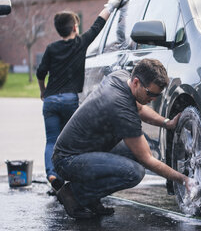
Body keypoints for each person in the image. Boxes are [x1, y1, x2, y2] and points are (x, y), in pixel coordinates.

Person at [52, 59, 192, 219]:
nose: (153, 99)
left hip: (84, 150)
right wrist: (184, 179)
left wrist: (167, 123)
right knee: (133, 172)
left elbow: (140, 108)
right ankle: (74, 194)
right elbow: (147, 160)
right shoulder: (120, 107)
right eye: (150, 94)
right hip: (68, 161)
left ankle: (90, 197)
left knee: (136, 150)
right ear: (136, 82)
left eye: (157, 95)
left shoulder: (121, 77)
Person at [36, 0, 132, 193]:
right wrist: (113, 3)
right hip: (70, 100)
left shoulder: (51, 48)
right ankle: (72, 180)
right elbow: (99, 24)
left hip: (51, 100)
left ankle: (52, 174)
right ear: (74, 28)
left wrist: (43, 91)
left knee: (52, 140)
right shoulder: (80, 43)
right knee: (69, 142)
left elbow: (40, 72)